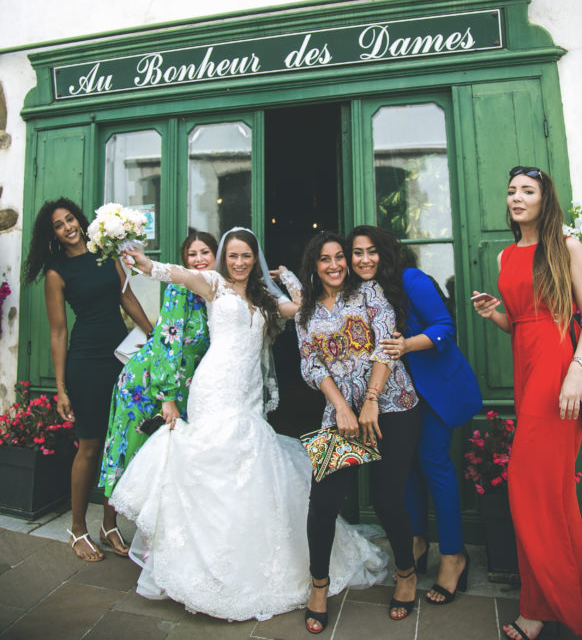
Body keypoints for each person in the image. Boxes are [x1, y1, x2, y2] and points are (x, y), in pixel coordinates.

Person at [110, 227, 388, 622]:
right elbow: (174, 273)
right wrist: (143, 263)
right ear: (225, 258)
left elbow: (303, 308)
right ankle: (206, 567)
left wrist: (289, 278)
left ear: (254, 259)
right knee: (216, 464)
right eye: (234, 256)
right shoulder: (214, 285)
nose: (239, 263)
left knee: (249, 465)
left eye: (246, 256)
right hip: (214, 388)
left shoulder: (263, 300)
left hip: (248, 392)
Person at [473, 166, 582, 640]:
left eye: (528, 191)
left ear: (546, 200)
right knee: (555, 495)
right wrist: (496, 314)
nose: (517, 198)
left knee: (529, 489)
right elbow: (522, 322)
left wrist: (576, 372)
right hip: (527, 371)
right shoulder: (507, 254)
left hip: (558, 373)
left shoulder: (565, 246)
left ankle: (541, 607)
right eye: (511, 191)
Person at [347, 224, 482, 605]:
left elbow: (444, 328)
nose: (364, 259)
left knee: (433, 463)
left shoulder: (411, 279)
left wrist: (405, 344)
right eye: (357, 252)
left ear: (386, 252)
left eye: (372, 251)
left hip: (436, 387)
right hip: (396, 396)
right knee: (402, 466)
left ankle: (454, 555)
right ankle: (417, 542)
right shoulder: (356, 291)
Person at [295, 230, 420, 633]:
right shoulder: (306, 313)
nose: (334, 265)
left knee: (387, 500)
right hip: (341, 415)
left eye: (339, 257)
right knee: (322, 502)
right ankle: (319, 585)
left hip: (393, 405)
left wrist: (370, 399)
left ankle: (405, 573)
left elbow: (388, 344)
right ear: (314, 266)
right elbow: (312, 366)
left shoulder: (368, 293)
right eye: (325, 259)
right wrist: (342, 407)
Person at [23, 197, 153, 562]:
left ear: (80, 220)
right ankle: (77, 528)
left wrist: (155, 335)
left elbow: (127, 298)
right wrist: (61, 388)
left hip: (120, 357)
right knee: (91, 446)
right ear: (53, 236)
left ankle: (108, 523)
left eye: (70, 219)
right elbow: (58, 332)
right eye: (59, 226)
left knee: (119, 445)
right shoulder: (57, 272)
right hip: (86, 361)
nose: (68, 227)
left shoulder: (105, 253)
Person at [99, 230, 218, 498]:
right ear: (184, 261)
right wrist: (167, 397)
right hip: (149, 380)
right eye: (192, 254)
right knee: (133, 448)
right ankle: (109, 523)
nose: (199, 259)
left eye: (204, 253)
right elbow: (168, 342)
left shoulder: (215, 293)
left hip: (184, 385)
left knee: (165, 459)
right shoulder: (181, 288)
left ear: (215, 256)